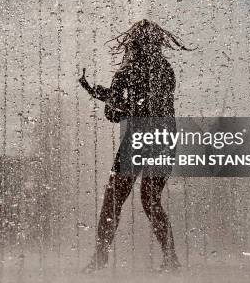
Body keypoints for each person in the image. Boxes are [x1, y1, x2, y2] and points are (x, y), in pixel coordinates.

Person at [79, 19, 193, 273]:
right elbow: (149, 107)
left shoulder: (127, 71)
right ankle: (171, 259)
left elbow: (117, 113)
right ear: (157, 42)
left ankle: (99, 258)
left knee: (113, 199)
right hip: (165, 139)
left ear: (132, 43)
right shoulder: (166, 68)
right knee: (151, 200)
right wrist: (110, 100)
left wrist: (96, 92)